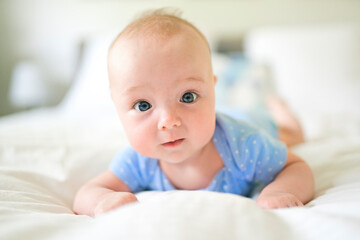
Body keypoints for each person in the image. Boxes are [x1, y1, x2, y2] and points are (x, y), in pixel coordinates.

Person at [73, 9, 314, 216]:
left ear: (212, 89)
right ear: (116, 105)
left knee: (289, 136)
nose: (168, 121)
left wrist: (281, 191)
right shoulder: (138, 161)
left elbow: (295, 166)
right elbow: (87, 193)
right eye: (143, 105)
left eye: (187, 97)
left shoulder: (244, 145)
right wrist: (101, 202)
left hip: (251, 121)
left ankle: (279, 110)